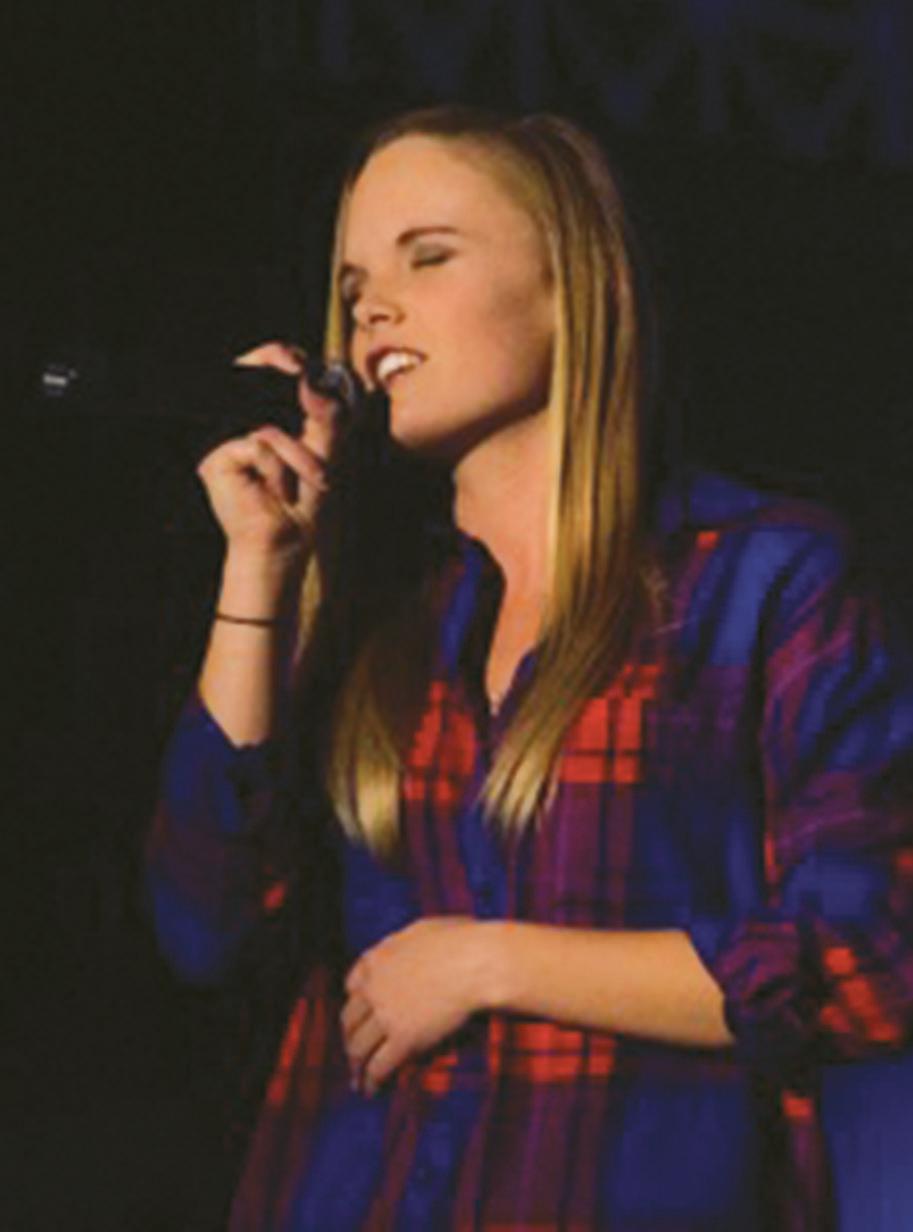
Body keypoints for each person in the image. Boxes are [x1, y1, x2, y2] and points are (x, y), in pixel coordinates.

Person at [146, 105, 913, 1230]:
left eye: (428, 256)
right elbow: (203, 923)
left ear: (572, 288)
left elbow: (873, 958)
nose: (372, 309)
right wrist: (259, 571)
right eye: (354, 284)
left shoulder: (756, 579)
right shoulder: (379, 612)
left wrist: (492, 963)